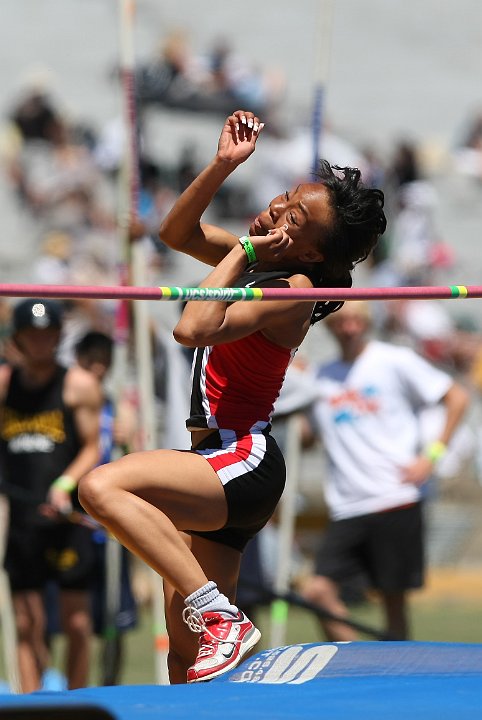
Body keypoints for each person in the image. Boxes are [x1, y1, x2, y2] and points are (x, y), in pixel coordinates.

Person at [78, 109, 387, 684]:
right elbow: (174, 234)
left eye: (295, 216)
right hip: (215, 462)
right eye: (285, 196)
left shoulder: (293, 289)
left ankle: (224, 616)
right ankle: (214, 622)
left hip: (241, 459)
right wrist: (222, 166)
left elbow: (192, 327)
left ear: (314, 254)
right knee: (185, 658)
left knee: (100, 486)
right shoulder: (259, 259)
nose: (276, 209)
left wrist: (243, 248)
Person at [299, 300, 470, 641]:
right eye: (341, 321)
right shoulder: (319, 378)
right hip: (347, 503)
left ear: (366, 322)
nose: (349, 328)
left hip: (396, 496)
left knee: (394, 605)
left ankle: (394, 679)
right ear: (330, 326)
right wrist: (291, 390)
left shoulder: (394, 360)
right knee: (317, 592)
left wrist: (431, 457)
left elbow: (457, 398)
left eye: (355, 320)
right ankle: (359, 664)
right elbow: (306, 440)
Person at [0, 299, 102, 692]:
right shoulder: (6, 385)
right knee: (27, 623)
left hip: (65, 517)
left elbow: (92, 447)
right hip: (22, 520)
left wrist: (64, 485)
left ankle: (76, 702)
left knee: (76, 622)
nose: (40, 344)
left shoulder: (78, 385)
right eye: (31, 336)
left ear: (58, 337)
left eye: (47, 336)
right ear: (18, 339)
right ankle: (30, 702)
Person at [74, 330, 138, 685]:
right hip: (77, 522)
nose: (99, 367)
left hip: (111, 527)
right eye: (92, 358)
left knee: (116, 616)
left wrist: (127, 438)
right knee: (77, 614)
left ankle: (110, 682)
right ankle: (69, 686)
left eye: (105, 359)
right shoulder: (70, 400)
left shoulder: (117, 406)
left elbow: (133, 461)